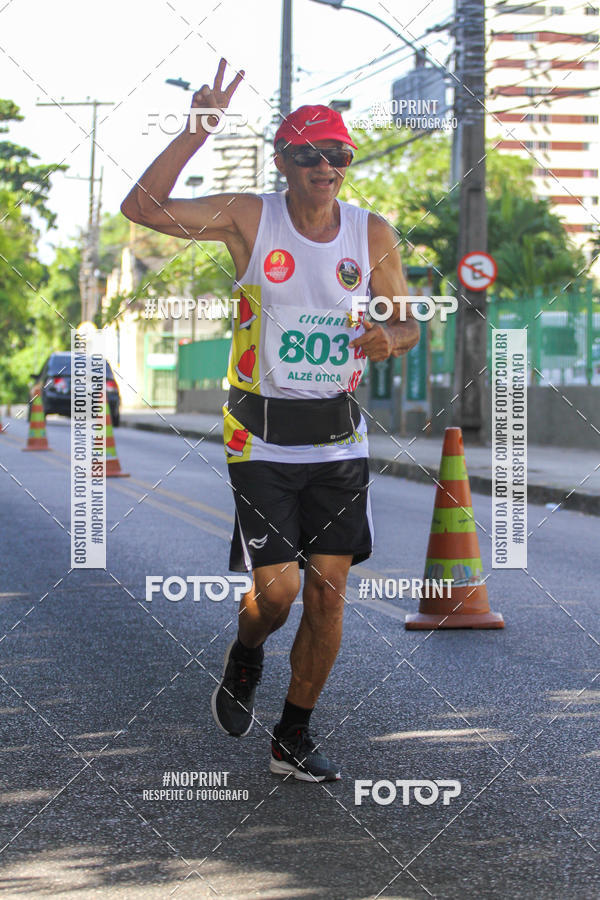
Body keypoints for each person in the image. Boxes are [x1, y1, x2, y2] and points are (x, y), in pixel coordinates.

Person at [121, 59, 419, 782]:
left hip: (340, 437)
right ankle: (247, 650)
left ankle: (293, 733)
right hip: (259, 434)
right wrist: (196, 131)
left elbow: (407, 322)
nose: (327, 166)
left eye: (339, 154)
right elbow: (143, 208)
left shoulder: (371, 232)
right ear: (284, 161)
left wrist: (392, 337)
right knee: (276, 594)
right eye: (311, 154)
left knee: (327, 592)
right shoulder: (252, 217)